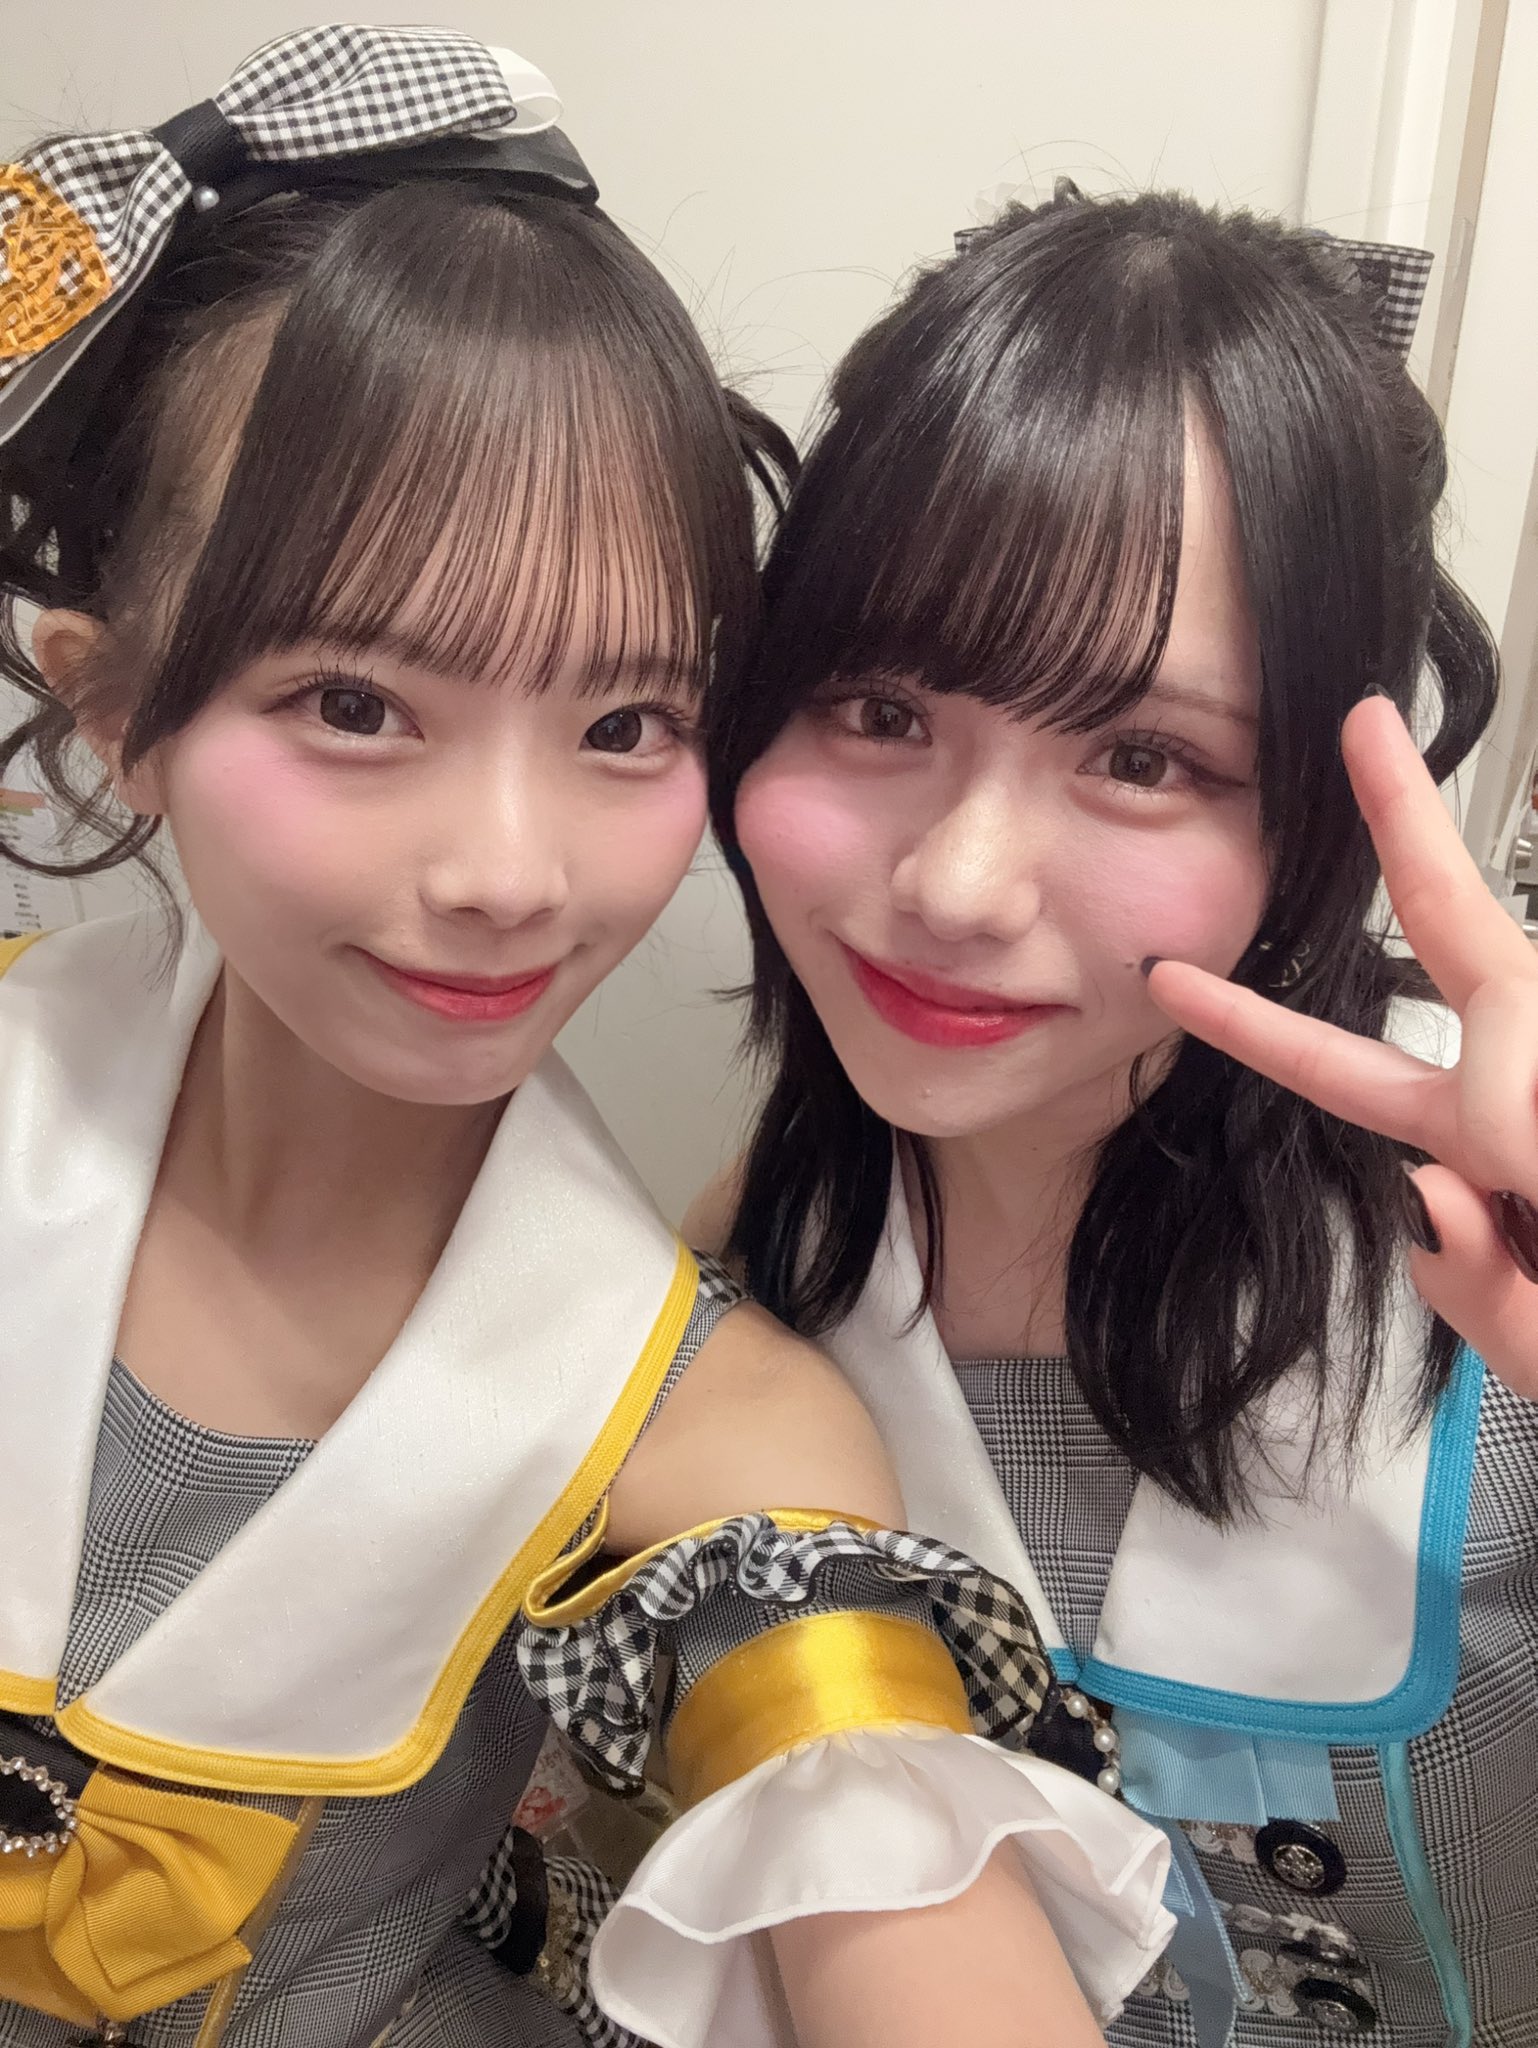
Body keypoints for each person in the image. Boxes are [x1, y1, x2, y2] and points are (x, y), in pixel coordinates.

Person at [0, 43, 1171, 2048]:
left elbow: (878, 1851)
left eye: (626, 724)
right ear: (117, 714)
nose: (510, 875)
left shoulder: (710, 1431)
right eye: (356, 704)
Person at [700, 182, 1538, 2046]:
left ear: (1310, 818)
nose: (955, 885)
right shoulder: (748, 1255)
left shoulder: (1490, 1268)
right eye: (877, 709)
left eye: (1143, 757)